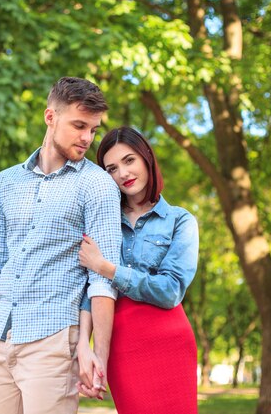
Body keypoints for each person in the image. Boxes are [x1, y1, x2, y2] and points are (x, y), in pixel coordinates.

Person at [0, 77, 121, 414]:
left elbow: (102, 279)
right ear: (50, 117)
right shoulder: (6, 182)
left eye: (93, 129)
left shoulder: (97, 186)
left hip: (53, 340)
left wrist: (98, 357)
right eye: (79, 125)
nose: (87, 138)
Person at [76, 126, 199, 413]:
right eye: (111, 168)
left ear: (146, 158)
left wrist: (107, 268)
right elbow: (91, 289)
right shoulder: (103, 222)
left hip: (170, 340)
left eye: (129, 160)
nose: (123, 173)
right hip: (122, 344)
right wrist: (86, 344)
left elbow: (170, 291)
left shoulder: (180, 221)